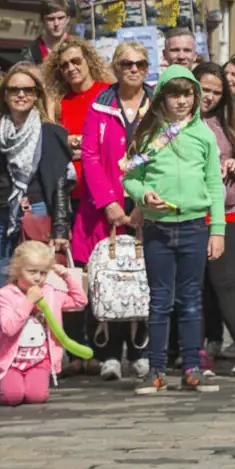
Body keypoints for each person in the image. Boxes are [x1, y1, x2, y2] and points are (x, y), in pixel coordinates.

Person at [121, 66, 224, 393]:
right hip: (158, 229)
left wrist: (217, 229)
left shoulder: (204, 134)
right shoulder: (148, 135)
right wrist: (143, 195)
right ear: (161, 97)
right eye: (174, 94)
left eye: (188, 94)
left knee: (192, 300)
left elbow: (215, 184)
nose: (182, 101)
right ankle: (156, 370)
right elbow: (130, 176)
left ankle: (193, 367)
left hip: (194, 226)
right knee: (160, 300)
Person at [0, 63, 72, 297]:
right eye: (14, 90)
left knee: (32, 286)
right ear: (5, 94)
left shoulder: (50, 132)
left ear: (37, 94)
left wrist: (60, 228)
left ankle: (32, 334)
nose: (21, 95)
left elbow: (59, 182)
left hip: (34, 214)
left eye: (28, 90)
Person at [193, 63, 235, 372]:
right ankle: (197, 351)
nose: (209, 97)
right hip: (192, 216)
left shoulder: (225, 123)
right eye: (203, 89)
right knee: (194, 286)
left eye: (216, 92)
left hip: (227, 214)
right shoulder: (175, 124)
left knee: (227, 283)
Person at [72, 39, 154, 289]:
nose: (134, 69)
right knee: (106, 281)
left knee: (144, 281)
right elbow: (90, 156)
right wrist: (108, 202)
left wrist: (144, 204)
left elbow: (163, 155)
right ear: (116, 68)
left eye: (140, 64)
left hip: (148, 202)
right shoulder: (99, 105)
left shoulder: (158, 106)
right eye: (127, 64)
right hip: (106, 206)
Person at [0, 239, 87, 406]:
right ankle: (5, 385)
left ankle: (33, 382)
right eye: (32, 272)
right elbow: (8, 328)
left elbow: (80, 301)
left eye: (43, 273)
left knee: (36, 397)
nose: (37, 278)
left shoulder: (49, 293)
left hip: (39, 361)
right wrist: (28, 301)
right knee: (12, 397)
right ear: (17, 270)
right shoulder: (6, 294)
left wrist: (66, 276)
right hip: (13, 361)